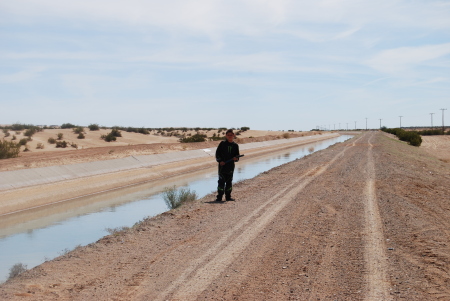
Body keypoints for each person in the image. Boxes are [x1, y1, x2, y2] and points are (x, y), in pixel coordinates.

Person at [215, 129, 240, 201]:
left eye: (231, 135)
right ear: (226, 136)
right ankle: (219, 197)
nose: (230, 136)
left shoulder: (235, 145)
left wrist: (236, 158)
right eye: (228, 135)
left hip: (231, 167)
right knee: (221, 181)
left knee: (229, 181)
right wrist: (220, 161)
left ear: (233, 135)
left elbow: (237, 156)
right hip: (222, 167)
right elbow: (217, 154)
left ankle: (228, 197)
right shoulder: (222, 144)